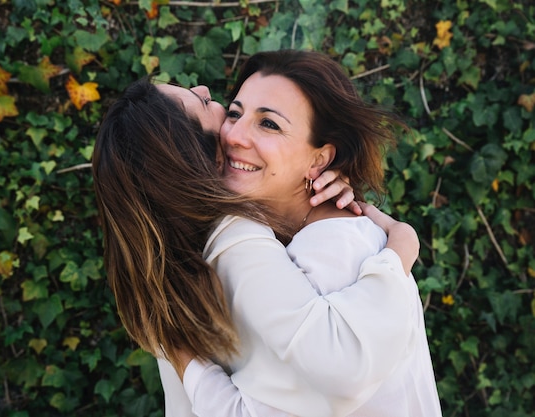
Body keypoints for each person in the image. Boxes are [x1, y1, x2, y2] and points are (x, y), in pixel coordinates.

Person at [92, 73, 425, 416]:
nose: (205, 88)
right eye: (205, 103)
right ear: (205, 160)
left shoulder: (175, 256)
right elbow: (343, 363)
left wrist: (307, 188)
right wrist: (401, 248)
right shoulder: (236, 240)